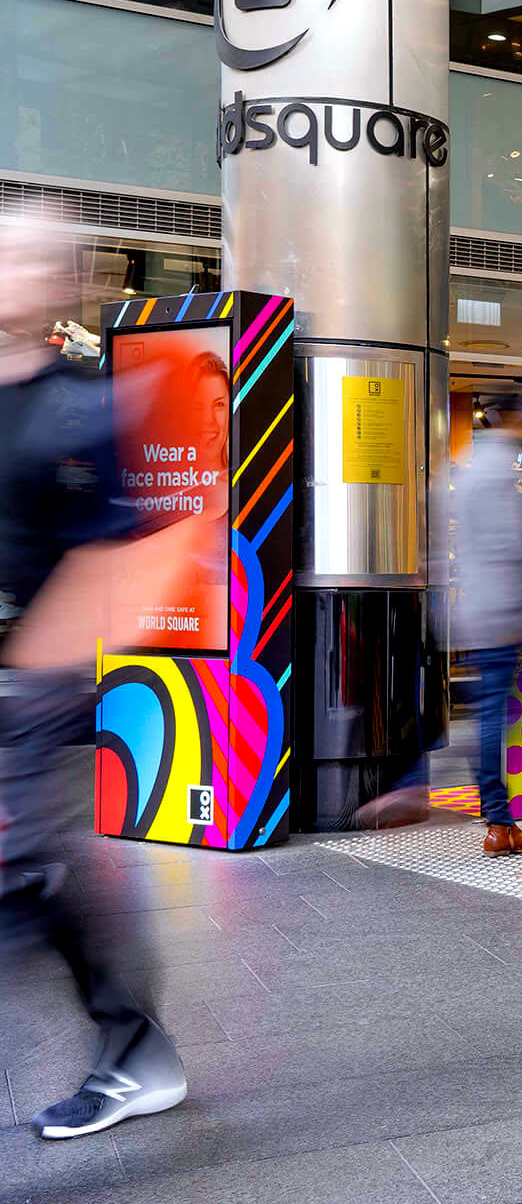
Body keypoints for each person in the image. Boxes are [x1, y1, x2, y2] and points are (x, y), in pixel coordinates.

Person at [0, 213, 186, 1140]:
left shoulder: (85, 407)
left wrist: (40, 679)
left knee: (36, 883)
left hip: (38, 694)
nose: (8, 268)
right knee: (42, 885)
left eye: (28, 256)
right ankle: (135, 1047)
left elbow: (123, 557)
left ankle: (134, 1049)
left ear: (62, 284)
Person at [446, 407, 522, 858]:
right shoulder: (497, 482)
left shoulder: (468, 476)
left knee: (491, 715)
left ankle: (501, 822)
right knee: (493, 718)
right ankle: (497, 820)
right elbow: (513, 552)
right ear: (508, 425)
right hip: (501, 615)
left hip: (480, 612)